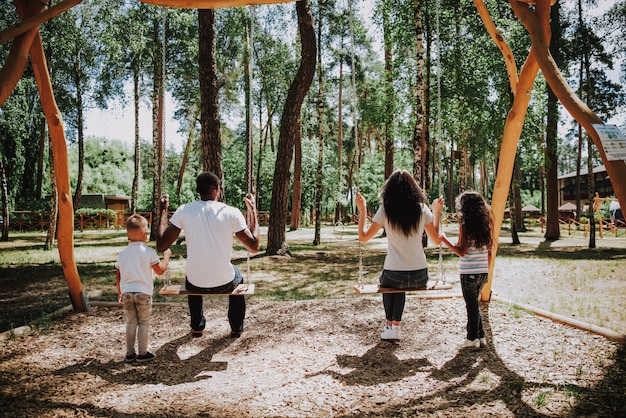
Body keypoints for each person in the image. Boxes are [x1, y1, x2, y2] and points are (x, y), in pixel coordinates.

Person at [156, 171, 260, 338]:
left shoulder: (185, 210)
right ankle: (236, 327)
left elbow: (161, 245)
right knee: (237, 275)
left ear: (198, 190)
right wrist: (253, 211)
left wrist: (162, 211)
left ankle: (197, 326)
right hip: (225, 283)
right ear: (218, 189)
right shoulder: (231, 212)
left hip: (195, 284)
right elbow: (254, 247)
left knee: (192, 274)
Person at [356, 169, 444, 341]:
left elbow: (363, 238)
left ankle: (391, 326)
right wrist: (437, 212)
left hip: (393, 275)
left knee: (389, 284)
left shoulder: (385, 210)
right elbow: (437, 240)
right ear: (414, 189)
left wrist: (363, 210)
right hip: (420, 275)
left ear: (389, 190)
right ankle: (393, 327)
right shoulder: (422, 209)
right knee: (397, 285)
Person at [440, 191, 494, 349]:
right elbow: (490, 251)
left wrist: (444, 240)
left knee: (471, 306)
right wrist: (487, 272)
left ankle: (472, 338)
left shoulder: (465, 226)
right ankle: (481, 336)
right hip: (482, 272)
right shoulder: (486, 226)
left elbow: (461, 251)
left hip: (468, 273)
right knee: (474, 304)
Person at [116, 214, 171, 363]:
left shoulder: (122, 254)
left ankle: (129, 354)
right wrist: (166, 257)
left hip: (127, 292)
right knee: (143, 323)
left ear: (127, 234)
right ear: (146, 235)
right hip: (143, 293)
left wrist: (120, 293)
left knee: (131, 322)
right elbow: (160, 271)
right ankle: (142, 353)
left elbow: (118, 276)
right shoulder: (149, 252)